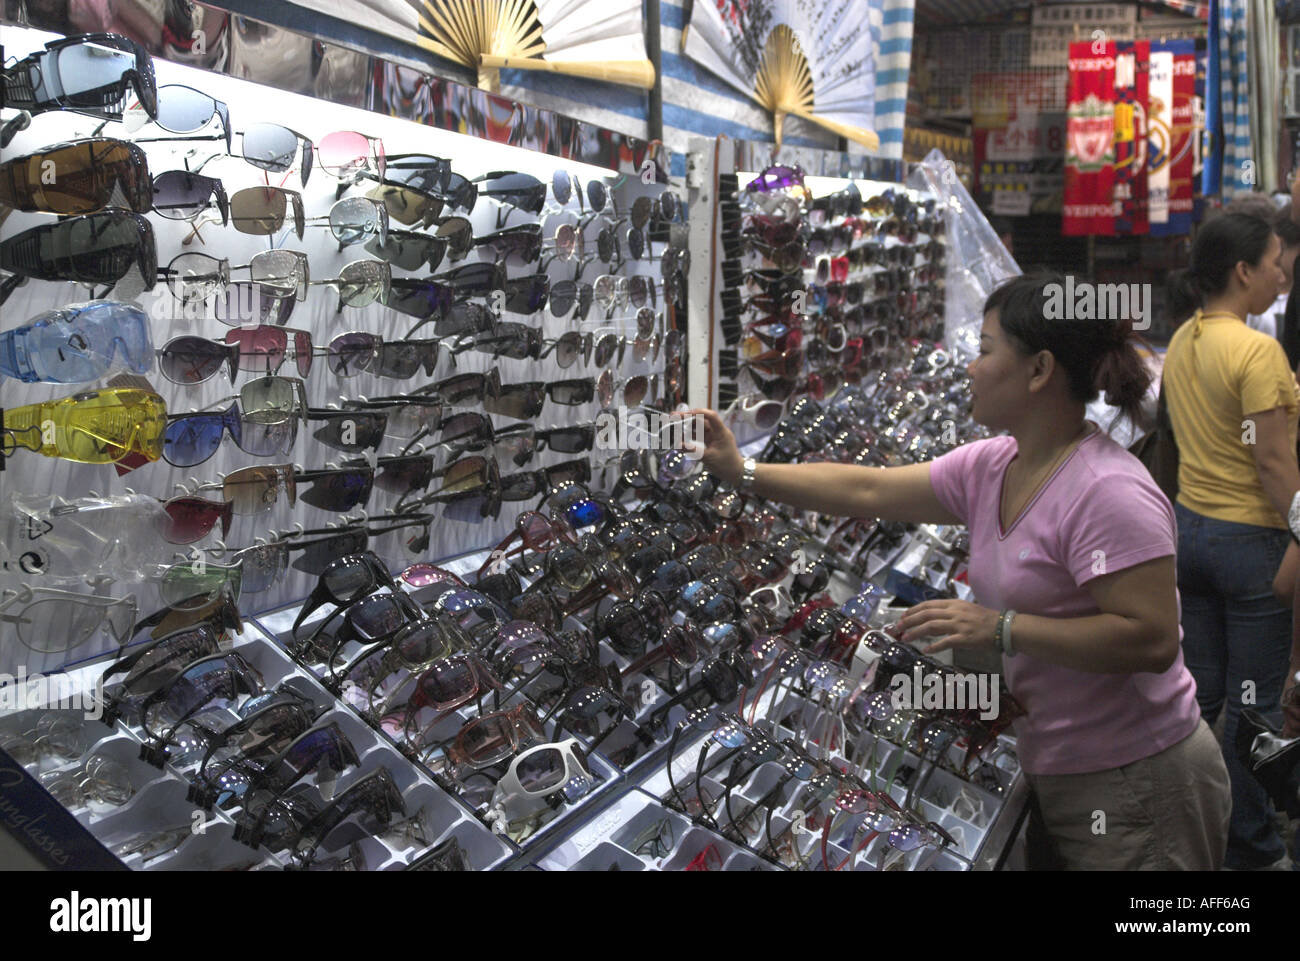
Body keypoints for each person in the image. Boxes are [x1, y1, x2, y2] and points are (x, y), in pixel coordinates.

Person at [690, 271, 1230, 870]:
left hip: (1136, 782)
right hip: (1060, 765)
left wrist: (1002, 629)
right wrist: (742, 472)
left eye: (984, 350)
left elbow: (1151, 639)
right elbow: (869, 489)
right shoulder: (996, 465)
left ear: (1039, 370)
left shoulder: (1108, 493)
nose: (970, 367)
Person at [1162, 211, 1293, 870]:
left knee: (1205, 697)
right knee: (1253, 708)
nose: (1283, 270)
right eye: (1274, 261)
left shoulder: (1185, 339)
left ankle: (1188, 822)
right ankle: (1252, 845)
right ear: (1243, 271)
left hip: (1191, 534)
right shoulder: (1255, 349)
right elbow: (1272, 463)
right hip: (1251, 545)